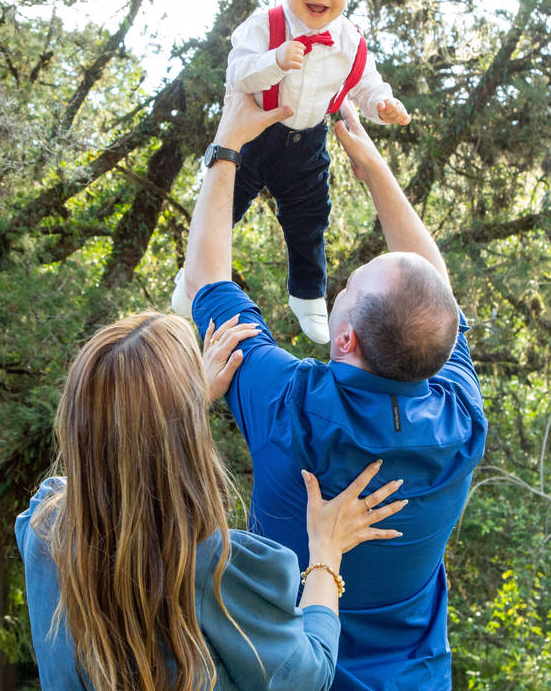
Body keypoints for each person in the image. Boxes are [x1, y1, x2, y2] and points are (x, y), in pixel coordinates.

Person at [181, 93, 488, 691]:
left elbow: (206, 279)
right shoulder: (461, 421)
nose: (341, 287)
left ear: (343, 336)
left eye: (347, 285)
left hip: (287, 670)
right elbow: (434, 294)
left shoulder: (291, 404)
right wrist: (372, 166)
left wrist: (226, 148)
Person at [16, 311, 409, 690]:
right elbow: (306, 676)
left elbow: (107, 468)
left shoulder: (43, 529)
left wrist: (173, 410)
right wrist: (327, 552)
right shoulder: (215, 567)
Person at [172, 0, 411, 344]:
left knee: (309, 219)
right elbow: (237, 75)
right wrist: (276, 60)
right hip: (255, 135)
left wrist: (382, 105)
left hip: (307, 142)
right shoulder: (264, 26)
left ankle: (307, 295)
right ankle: (192, 278)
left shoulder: (351, 41)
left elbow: (364, 85)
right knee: (222, 207)